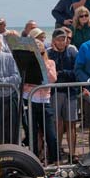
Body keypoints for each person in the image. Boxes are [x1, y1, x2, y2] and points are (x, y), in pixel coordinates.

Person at [22, 28, 58, 162]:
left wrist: (43, 64)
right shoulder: (25, 64)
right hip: (29, 101)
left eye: (41, 51)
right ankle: (34, 159)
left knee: (50, 134)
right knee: (32, 133)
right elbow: (24, 83)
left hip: (44, 102)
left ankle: (54, 160)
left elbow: (52, 79)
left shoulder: (50, 63)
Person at [48, 27, 79, 157]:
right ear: (54, 41)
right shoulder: (49, 54)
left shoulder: (72, 52)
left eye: (64, 39)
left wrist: (61, 73)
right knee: (57, 123)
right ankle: (57, 152)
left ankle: (72, 154)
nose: (61, 42)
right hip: (56, 92)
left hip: (71, 92)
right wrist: (56, 55)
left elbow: (75, 72)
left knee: (71, 124)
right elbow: (50, 73)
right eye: (59, 40)